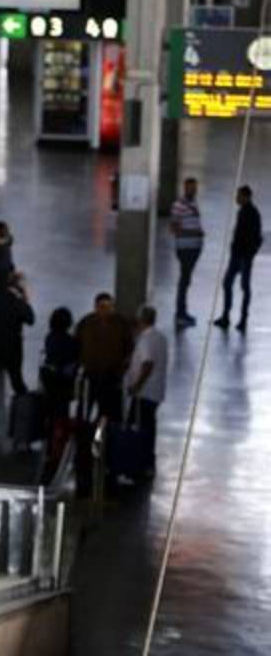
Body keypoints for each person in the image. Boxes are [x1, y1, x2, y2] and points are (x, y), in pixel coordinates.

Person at [0, 271, 35, 427]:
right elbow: (30, 319)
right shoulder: (18, 302)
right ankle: (23, 417)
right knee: (17, 380)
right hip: (12, 347)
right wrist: (26, 299)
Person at [124, 305, 168, 482]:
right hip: (155, 392)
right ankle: (148, 463)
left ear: (141, 320)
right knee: (149, 428)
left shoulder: (146, 340)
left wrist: (135, 386)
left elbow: (147, 364)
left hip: (144, 393)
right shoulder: (160, 337)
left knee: (139, 429)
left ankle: (137, 465)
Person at [75, 293, 134, 423]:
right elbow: (76, 346)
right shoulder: (86, 323)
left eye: (109, 307)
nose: (105, 310)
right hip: (91, 375)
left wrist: (121, 371)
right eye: (102, 307)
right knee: (84, 410)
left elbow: (129, 349)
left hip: (112, 376)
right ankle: (83, 436)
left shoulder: (121, 325)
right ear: (95, 307)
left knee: (110, 413)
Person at [215, 185, 262, 332]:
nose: (236, 198)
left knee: (244, 287)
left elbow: (257, 238)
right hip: (237, 256)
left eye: (239, 196)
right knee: (228, 283)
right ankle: (226, 316)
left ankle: (242, 319)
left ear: (246, 197)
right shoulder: (242, 211)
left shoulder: (252, 213)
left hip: (244, 257)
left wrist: (249, 254)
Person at [170, 177, 205, 328]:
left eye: (195, 188)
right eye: (190, 188)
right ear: (185, 188)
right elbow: (174, 229)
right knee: (184, 281)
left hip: (194, 248)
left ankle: (183, 312)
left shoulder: (193, 203)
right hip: (185, 248)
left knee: (186, 280)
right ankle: (180, 313)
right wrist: (195, 232)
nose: (193, 190)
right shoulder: (179, 205)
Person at [40, 307, 80, 420]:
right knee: (62, 408)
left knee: (50, 406)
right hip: (64, 379)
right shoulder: (71, 341)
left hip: (49, 376)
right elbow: (76, 356)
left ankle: (49, 430)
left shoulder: (50, 337)